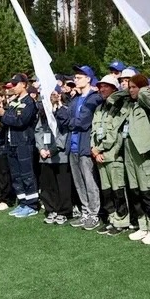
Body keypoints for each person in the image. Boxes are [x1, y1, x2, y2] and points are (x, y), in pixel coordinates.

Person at [123, 74, 150, 244]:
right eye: (130, 87)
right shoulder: (129, 104)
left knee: (147, 190)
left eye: (134, 86)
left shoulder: (149, 101)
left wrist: (145, 90)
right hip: (129, 152)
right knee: (134, 190)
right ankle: (143, 225)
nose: (131, 90)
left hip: (143, 152)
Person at [0, 74, 40, 218]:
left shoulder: (29, 102)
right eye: (12, 84)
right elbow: (5, 118)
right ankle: (23, 202)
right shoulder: (13, 102)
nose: (13, 87)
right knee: (16, 175)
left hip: (23, 143)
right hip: (11, 143)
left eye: (16, 84)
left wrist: (4, 114)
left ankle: (32, 204)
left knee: (27, 174)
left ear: (24, 84)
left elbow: (21, 121)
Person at [91, 74, 131, 235]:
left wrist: (101, 150)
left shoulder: (119, 107)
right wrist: (94, 149)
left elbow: (115, 133)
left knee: (118, 190)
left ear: (114, 89)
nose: (102, 89)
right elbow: (94, 131)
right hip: (99, 156)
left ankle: (122, 221)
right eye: (100, 86)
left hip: (113, 156)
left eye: (106, 86)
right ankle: (111, 218)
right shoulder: (99, 108)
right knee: (106, 190)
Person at [65, 66, 104, 229]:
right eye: (75, 77)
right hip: (72, 146)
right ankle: (85, 211)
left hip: (85, 146)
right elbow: (65, 120)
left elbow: (83, 122)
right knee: (79, 182)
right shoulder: (74, 100)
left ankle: (94, 214)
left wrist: (70, 122)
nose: (76, 80)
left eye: (79, 77)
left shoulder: (94, 98)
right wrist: (70, 121)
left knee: (89, 181)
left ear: (88, 79)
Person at [35, 89, 72, 225]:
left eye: (55, 94)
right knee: (47, 185)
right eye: (50, 95)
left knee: (62, 185)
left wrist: (53, 150)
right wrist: (41, 149)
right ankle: (51, 209)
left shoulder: (64, 111)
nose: (53, 97)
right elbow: (38, 131)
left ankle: (64, 211)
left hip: (60, 156)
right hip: (45, 155)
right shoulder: (43, 113)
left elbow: (65, 133)